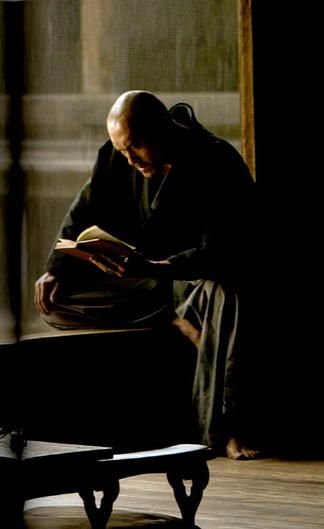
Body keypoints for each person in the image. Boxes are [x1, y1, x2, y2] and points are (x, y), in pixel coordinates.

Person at [34, 90, 260, 460]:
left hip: (195, 277)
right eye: (122, 150)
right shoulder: (116, 157)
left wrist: (161, 267)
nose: (129, 159)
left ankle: (225, 427)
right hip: (146, 280)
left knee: (229, 297)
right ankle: (172, 316)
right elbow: (84, 210)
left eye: (135, 147)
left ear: (165, 129)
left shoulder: (215, 159)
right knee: (54, 303)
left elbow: (229, 248)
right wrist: (55, 268)